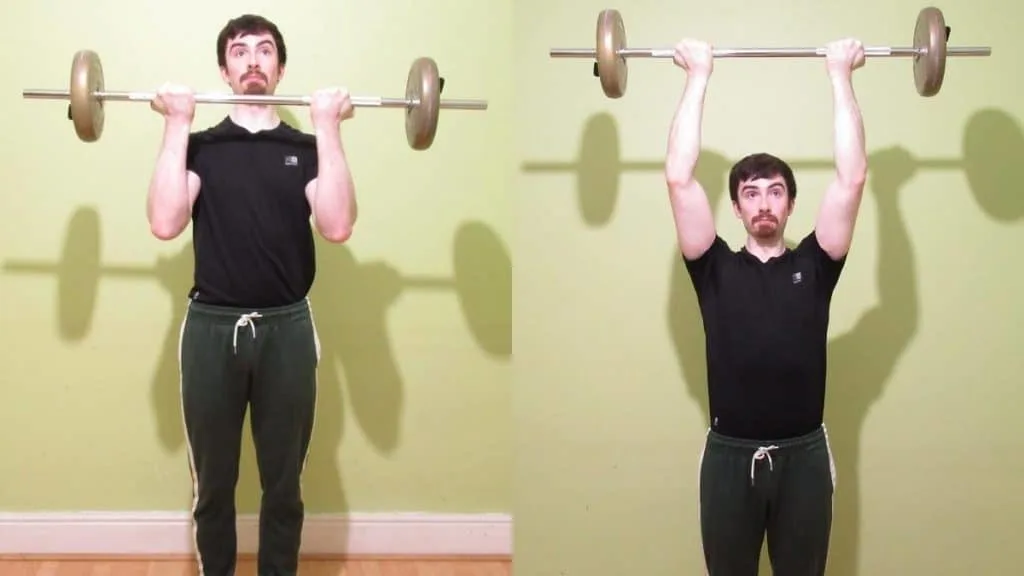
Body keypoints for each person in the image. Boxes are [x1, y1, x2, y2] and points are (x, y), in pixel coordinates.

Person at [145, 14, 356, 576]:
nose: (253, 60)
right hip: (210, 330)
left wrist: (329, 127)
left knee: (283, 488)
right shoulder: (202, 147)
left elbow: (336, 226)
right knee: (213, 487)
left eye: (265, 51)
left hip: (288, 329)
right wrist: (176, 125)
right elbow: (166, 222)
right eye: (240, 52)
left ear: (281, 67)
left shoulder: (306, 146)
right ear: (224, 69)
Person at [665, 37, 867, 575]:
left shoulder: (817, 266)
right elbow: (679, 179)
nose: (763, 203)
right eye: (751, 193)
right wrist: (698, 76)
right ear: (734, 207)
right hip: (729, 457)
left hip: (803, 456)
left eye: (775, 192)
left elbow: (851, 181)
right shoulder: (713, 269)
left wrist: (840, 75)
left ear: (791, 204)